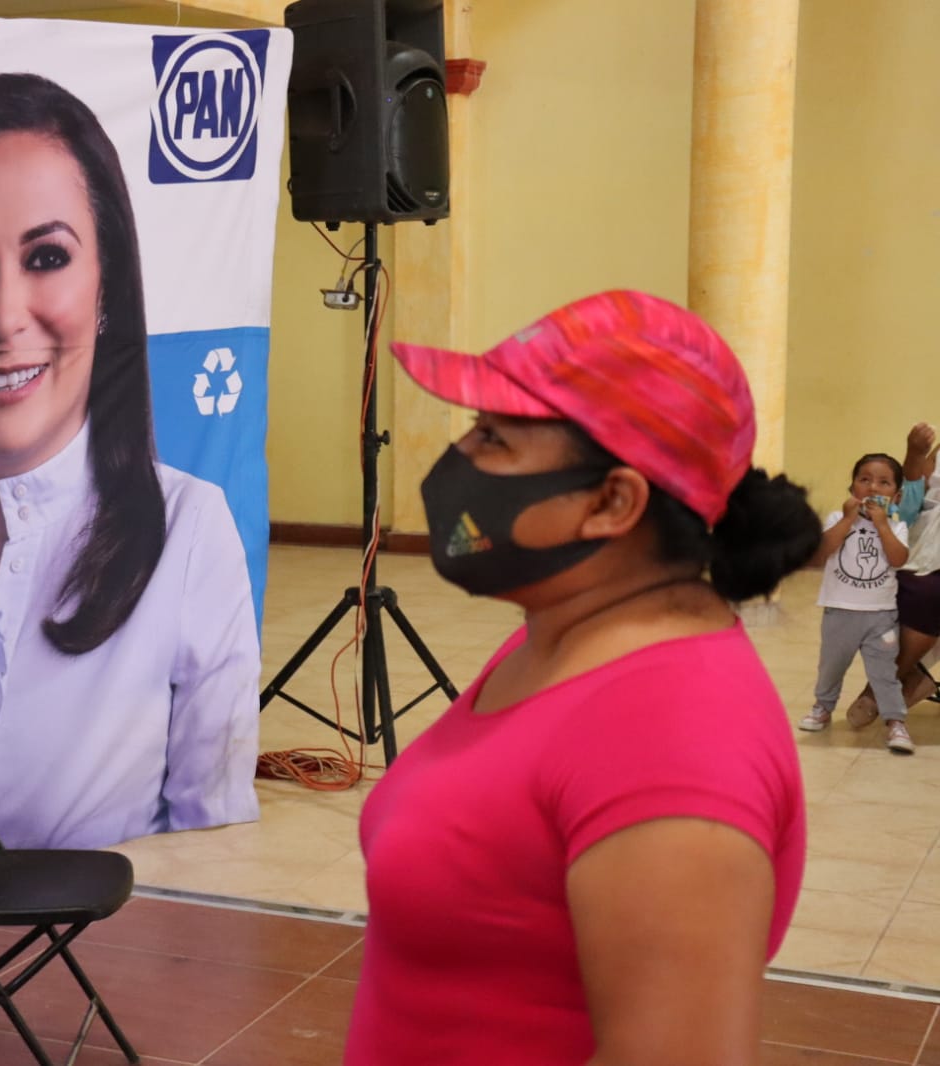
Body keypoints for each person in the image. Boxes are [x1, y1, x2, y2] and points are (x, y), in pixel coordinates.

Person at [345, 291, 820, 1066]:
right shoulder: (563, 637)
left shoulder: (670, 744)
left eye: (492, 439)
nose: (456, 459)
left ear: (611, 500)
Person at [0, 73, 260, 859]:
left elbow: (210, 847)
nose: (5, 318)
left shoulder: (188, 532)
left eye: (46, 256)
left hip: (90, 972)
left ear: (106, 286)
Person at [798, 453, 912, 751]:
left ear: (896, 495)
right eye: (865, 480)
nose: (873, 488)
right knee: (831, 666)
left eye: (883, 483)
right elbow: (821, 553)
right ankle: (823, 706)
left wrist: (883, 525)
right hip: (840, 611)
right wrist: (849, 518)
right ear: (852, 489)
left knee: (884, 673)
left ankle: (895, 721)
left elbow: (899, 558)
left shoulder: (897, 527)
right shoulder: (837, 519)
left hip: (881, 615)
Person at [845, 422, 940, 730]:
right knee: (922, 590)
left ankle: (887, 687)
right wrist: (915, 451)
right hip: (926, 549)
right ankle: (902, 679)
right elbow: (910, 500)